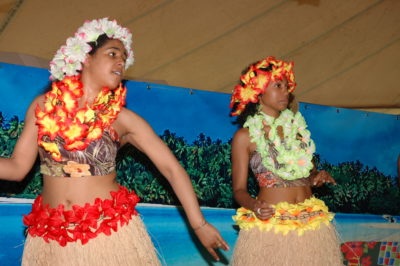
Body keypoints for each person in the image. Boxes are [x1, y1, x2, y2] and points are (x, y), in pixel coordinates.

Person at [0, 18, 229, 265]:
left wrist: (199, 224)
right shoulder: (43, 106)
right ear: (86, 58)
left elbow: (171, 169)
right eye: (112, 54)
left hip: (107, 233)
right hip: (52, 236)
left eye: (123, 57)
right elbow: (16, 168)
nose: (121, 61)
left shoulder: (124, 119)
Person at [229, 56, 342, 265]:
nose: (286, 92)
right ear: (258, 91)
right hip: (272, 224)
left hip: (310, 221)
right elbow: (238, 191)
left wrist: (317, 177)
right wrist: (254, 205)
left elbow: (307, 175)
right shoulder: (245, 137)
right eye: (278, 86)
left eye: (287, 86)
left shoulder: (297, 131)